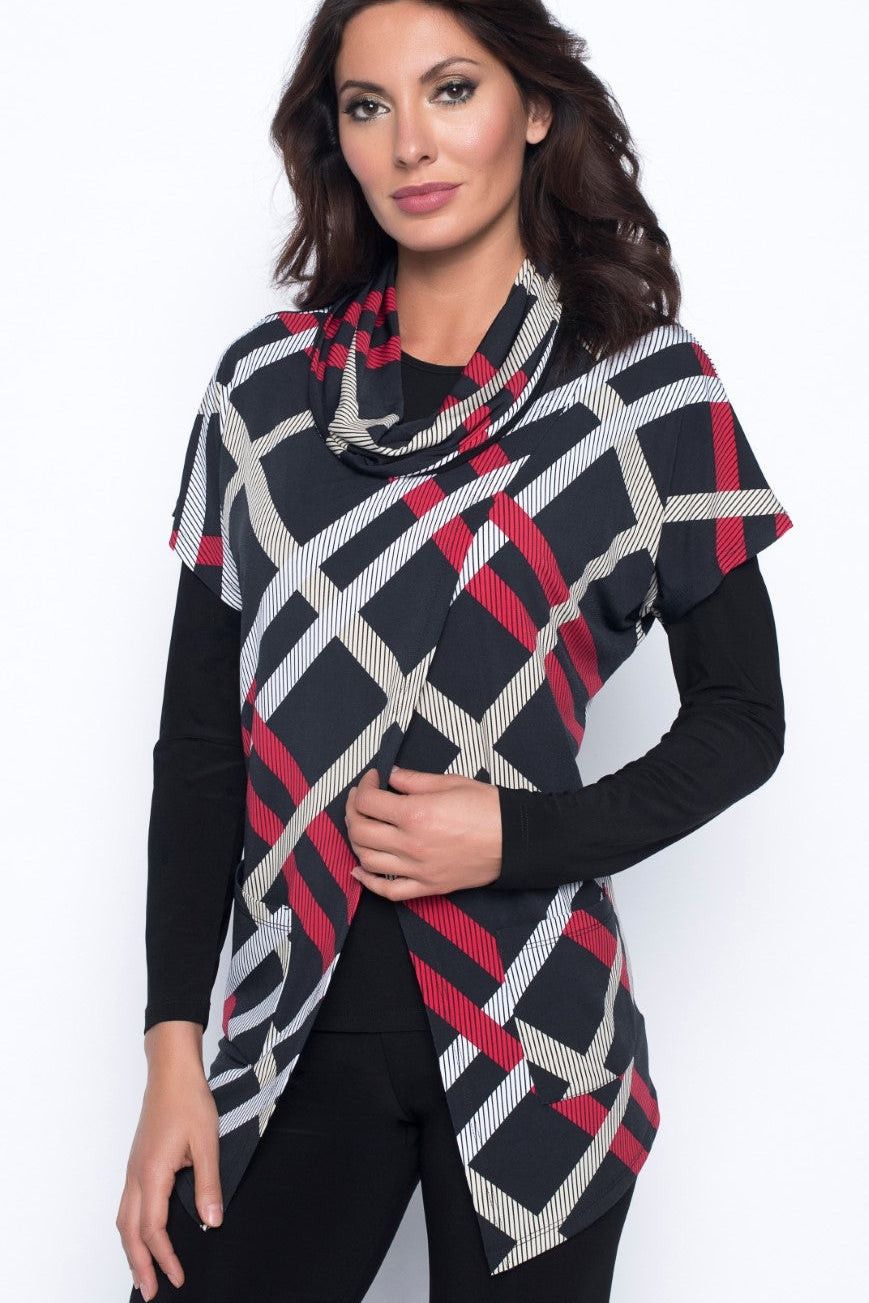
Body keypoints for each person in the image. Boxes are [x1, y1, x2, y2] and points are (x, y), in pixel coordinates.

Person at [116, 1, 793, 1300]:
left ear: (532, 108)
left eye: (451, 90)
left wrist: (516, 835)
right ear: (337, 138)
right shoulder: (263, 395)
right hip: (281, 1040)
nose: (410, 144)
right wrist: (171, 1053)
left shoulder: (645, 395)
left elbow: (742, 722)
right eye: (368, 106)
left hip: (539, 1041)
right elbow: (200, 750)